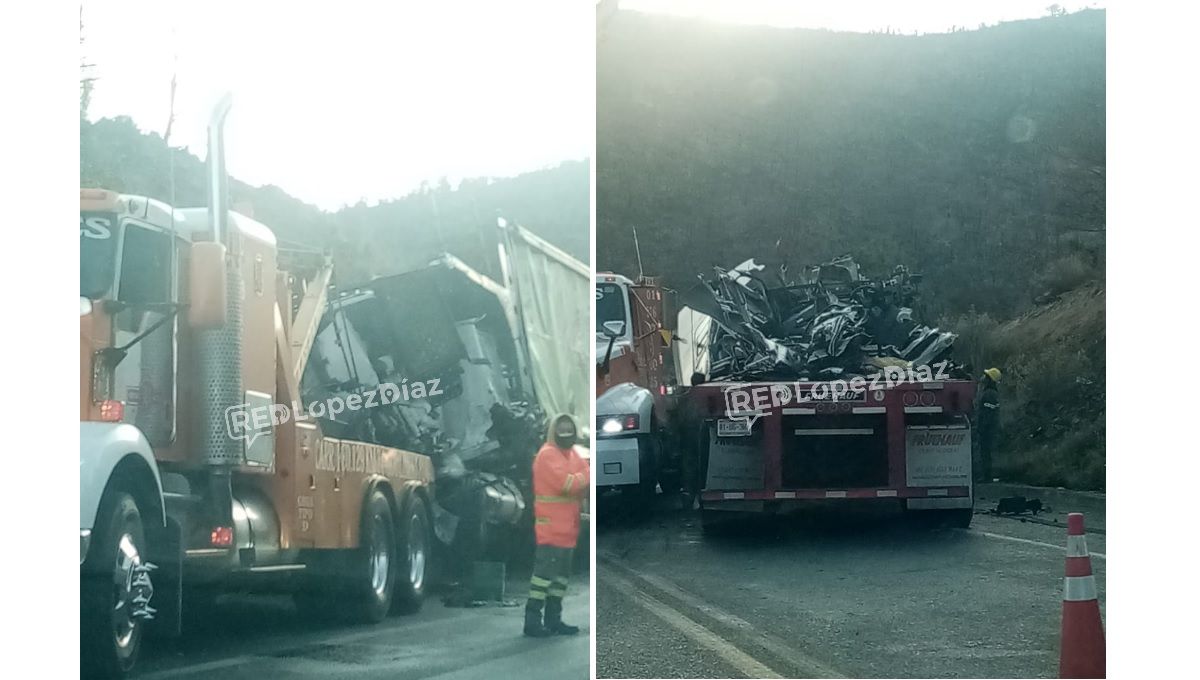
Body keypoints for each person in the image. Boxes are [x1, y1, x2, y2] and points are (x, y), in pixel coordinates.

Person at [524, 414, 589, 637]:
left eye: (569, 429)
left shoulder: (571, 455)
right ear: (553, 431)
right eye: (561, 430)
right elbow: (567, 484)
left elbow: (580, 478)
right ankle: (532, 621)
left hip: (567, 529)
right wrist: (585, 475)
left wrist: (582, 476)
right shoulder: (548, 455)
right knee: (542, 577)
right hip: (551, 528)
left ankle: (553, 620)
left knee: (560, 578)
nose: (566, 434)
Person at [975, 368, 1002, 482]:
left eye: (986, 376)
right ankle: (987, 475)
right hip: (990, 428)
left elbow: (987, 414)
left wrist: (981, 428)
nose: (983, 378)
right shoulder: (991, 393)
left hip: (988, 429)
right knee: (986, 452)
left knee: (986, 452)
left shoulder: (989, 394)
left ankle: (987, 476)